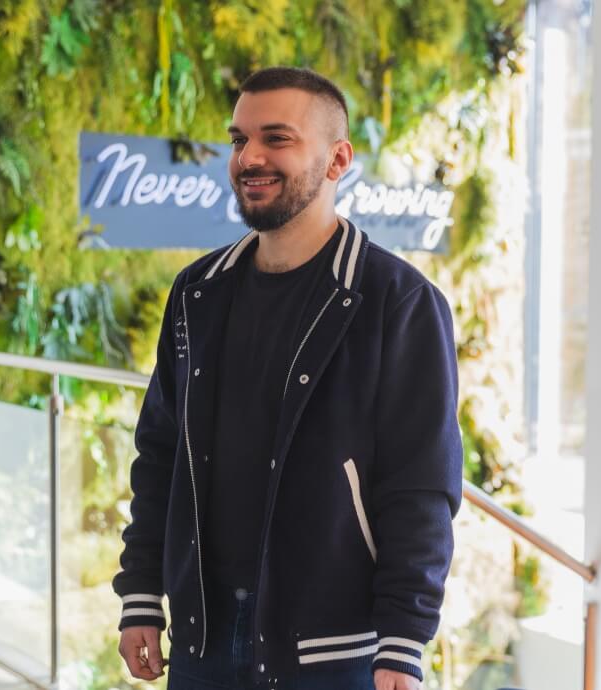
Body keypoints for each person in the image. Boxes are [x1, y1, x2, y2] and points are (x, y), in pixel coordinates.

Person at [113, 66, 463, 690]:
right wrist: (141, 592)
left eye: (277, 139)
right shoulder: (197, 291)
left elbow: (421, 488)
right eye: (239, 139)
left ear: (337, 160)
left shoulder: (398, 302)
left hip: (331, 648)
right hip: (201, 634)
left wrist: (403, 641)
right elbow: (161, 451)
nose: (249, 157)